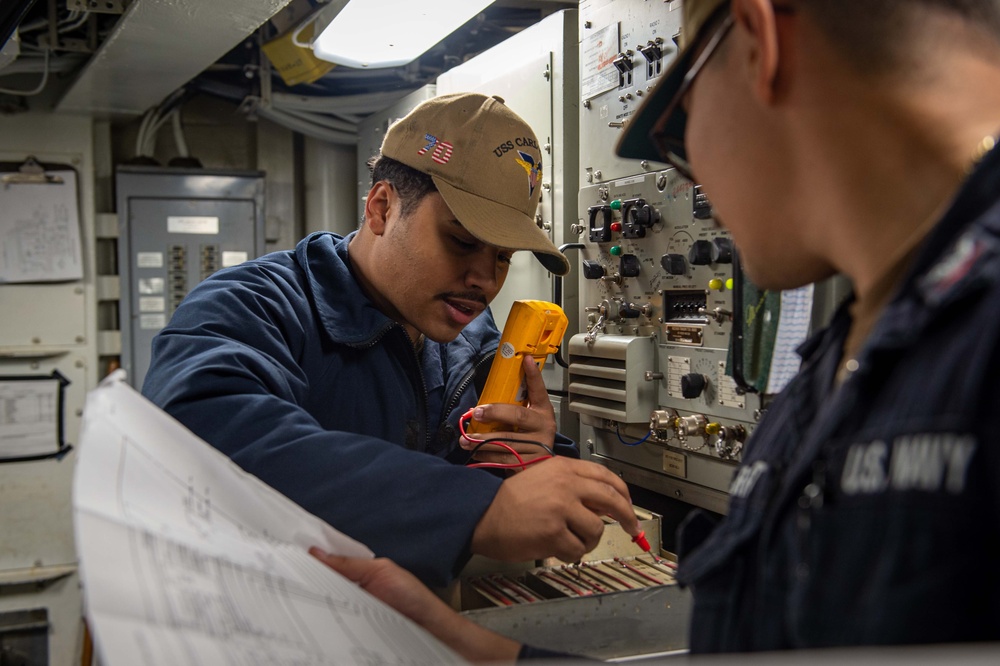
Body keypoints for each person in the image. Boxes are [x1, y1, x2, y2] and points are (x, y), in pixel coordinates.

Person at [312, 0, 1000, 658]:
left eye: (676, 128)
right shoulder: (834, 372)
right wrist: (488, 654)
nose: (687, 172)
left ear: (761, 46)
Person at [142, 92, 642, 588]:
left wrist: (532, 464)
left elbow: (511, 493)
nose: (486, 280)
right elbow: (201, 433)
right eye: (463, 242)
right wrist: (475, 507)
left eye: (504, 257)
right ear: (381, 208)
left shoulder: (475, 339)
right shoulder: (252, 307)